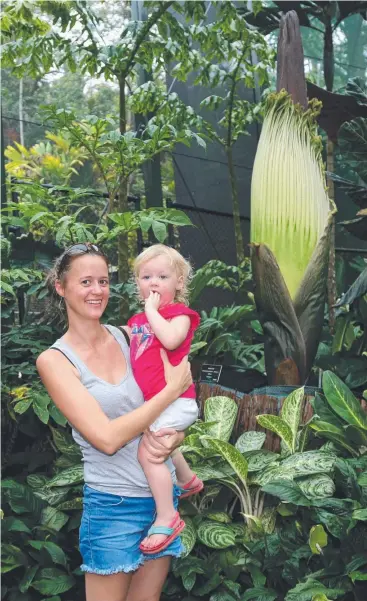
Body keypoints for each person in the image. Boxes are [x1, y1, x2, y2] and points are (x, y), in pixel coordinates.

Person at [36, 242, 193, 601]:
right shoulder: (56, 360)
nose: (97, 291)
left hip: (160, 503)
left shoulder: (132, 335)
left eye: (104, 281)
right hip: (112, 506)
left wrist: (177, 436)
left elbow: (178, 399)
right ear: (61, 287)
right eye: (86, 282)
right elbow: (107, 438)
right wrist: (168, 394)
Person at [127, 244, 204, 555]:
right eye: (146, 277)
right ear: (138, 284)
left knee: (149, 454)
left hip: (176, 401)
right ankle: (186, 480)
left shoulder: (180, 315)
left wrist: (151, 312)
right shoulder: (135, 322)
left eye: (162, 276)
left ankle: (168, 516)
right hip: (157, 402)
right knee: (161, 441)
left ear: (180, 282)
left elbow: (171, 339)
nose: (154, 283)